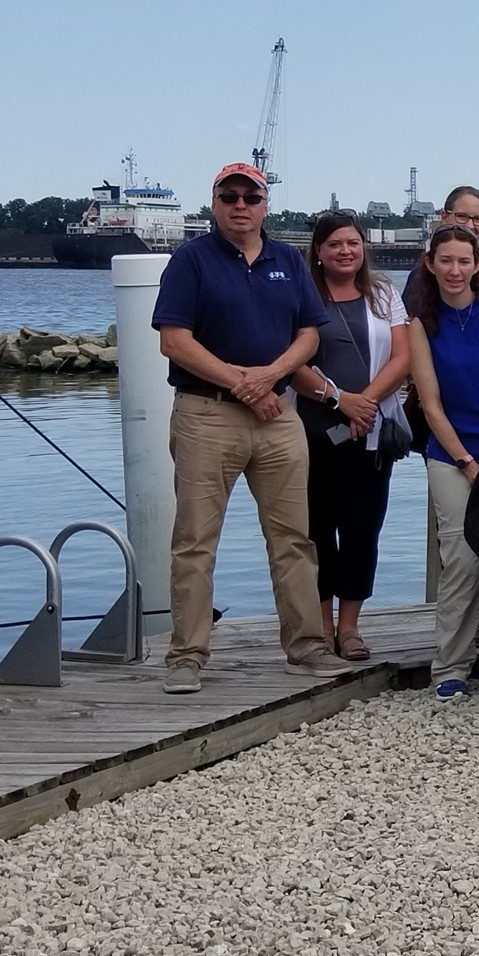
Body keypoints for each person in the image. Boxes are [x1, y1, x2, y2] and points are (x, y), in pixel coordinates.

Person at [152, 162, 352, 694]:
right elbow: (174, 340)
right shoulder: (189, 260)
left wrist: (270, 378)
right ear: (214, 202)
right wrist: (244, 384)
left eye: (251, 196)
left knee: (294, 538)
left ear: (266, 204)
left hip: (279, 417)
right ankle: (187, 656)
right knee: (195, 540)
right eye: (229, 195)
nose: (240, 205)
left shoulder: (289, 258)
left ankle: (307, 647)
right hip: (206, 415)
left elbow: (309, 336)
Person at [405, 226, 479, 700]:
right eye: (445, 261)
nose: (455, 270)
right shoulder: (421, 325)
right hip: (449, 454)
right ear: (430, 264)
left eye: (464, 261)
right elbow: (430, 404)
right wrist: (466, 460)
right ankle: (450, 664)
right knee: (461, 557)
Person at [287, 211, 411, 661]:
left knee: (363, 528)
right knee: (317, 528)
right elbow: (291, 363)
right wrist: (341, 401)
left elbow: (402, 357)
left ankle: (350, 626)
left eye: (353, 243)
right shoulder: (302, 293)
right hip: (312, 430)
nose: (345, 251)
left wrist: (365, 404)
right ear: (317, 251)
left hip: (370, 429)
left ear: (364, 248)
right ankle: (320, 625)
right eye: (335, 243)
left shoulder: (382, 293)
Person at [401, 186, 479, 308]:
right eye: (462, 216)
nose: (470, 225)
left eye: (478, 219)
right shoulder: (418, 277)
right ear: (444, 217)